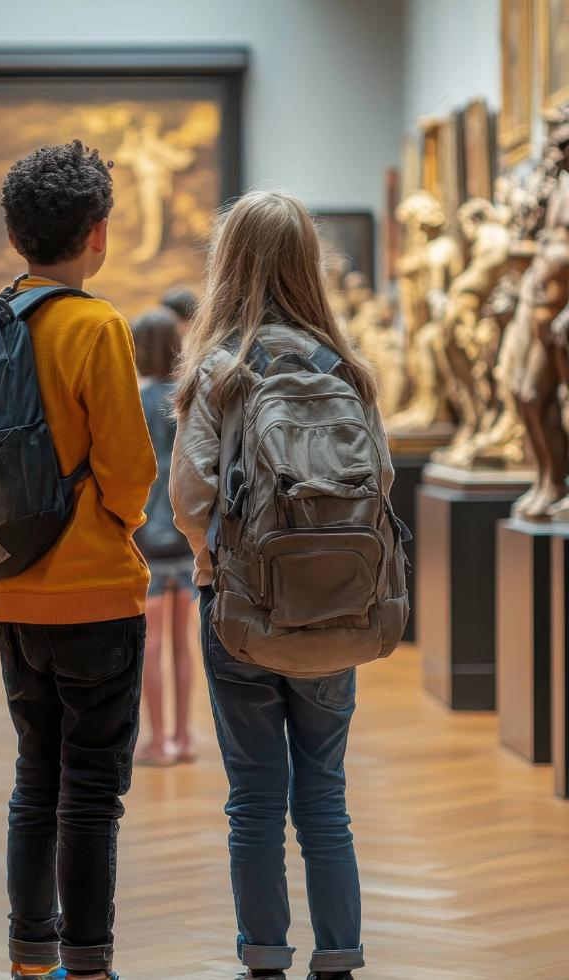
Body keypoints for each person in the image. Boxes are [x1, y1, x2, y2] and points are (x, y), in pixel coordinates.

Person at [171, 190, 388, 980]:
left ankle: (263, 957)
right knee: (324, 796)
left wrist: (222, 556)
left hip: (242, 613)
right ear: (310, 265)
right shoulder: (349, 370)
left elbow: (190, 498)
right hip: (337, 611)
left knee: (256, 799)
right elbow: (381, 480)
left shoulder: (219, 372)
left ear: (227, 264)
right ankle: (339, 957)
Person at [0, 140, 157, 980]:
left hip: (12, 594)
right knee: (91, 789)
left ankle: (29, 954)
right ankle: (88, 962)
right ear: (98, 234)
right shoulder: (97, 325)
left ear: (16, 234)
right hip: (95, 594)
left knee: (34, 778)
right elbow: (130, 471)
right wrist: (109, 522)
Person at [131, 306, 197, 767]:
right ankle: (185, 736)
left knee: (150, 644)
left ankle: (157, 743)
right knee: (183, 642)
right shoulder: (189, 399)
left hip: (146, 541)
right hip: (187, 536)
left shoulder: (135, 401)